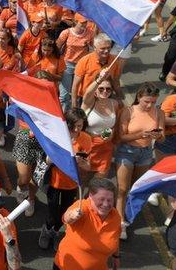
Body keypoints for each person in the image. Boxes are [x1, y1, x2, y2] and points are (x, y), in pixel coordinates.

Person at [115, 83, 164, 240]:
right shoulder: (128, 111)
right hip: (127, 151)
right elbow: (121, 136)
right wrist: (141, 135)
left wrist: (158, 136)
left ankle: (126, 216)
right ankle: (120, 223)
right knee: (122, 189)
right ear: (139, 98)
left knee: (136, 189)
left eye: (153, 102)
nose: (150, 105)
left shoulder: (160, 113)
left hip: (145, 153)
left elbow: (162, 136)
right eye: (146, 101)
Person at [38, 108, 92, 250]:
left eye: (79, 126)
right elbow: (46, 159)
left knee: (64, 212)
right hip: (55, 182)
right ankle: (47, 230)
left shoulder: (86, 139)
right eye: (72, 125)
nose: (76, 129)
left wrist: (81, 162)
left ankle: (55, 232)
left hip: (72, 183)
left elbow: (88, 166)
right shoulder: (57, 136)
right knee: (52, 211)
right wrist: (57, 158)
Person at [53, 178, 121, 270]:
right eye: (101, 199)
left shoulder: (115, 216)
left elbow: (115, 239)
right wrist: (72, 216)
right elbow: (66, 218)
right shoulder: (82, 207)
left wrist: (116, 257)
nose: (105, 204)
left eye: (110, 200)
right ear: (90, 196)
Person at [81, 71, 120, 179]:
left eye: (108, 89)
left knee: (99, 182)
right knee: (83, 179)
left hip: (105, 148)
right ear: (95, 90)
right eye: (101, 88)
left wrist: (111, 134)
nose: (105, 91)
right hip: (87, 147)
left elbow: (114, 124)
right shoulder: (89, 102)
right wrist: (99, 80)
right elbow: (87, 94)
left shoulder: (114, 103)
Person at [71, 33, 122, 109]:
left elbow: (115, 82)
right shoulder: (84, 61)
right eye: (103, 48)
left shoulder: (114, 61)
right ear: (95, 47)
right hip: (86, 99)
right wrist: (74, 106)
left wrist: (119, 98)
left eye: (108, 48)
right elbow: (75, 85)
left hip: (105, 97)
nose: (106, 51)